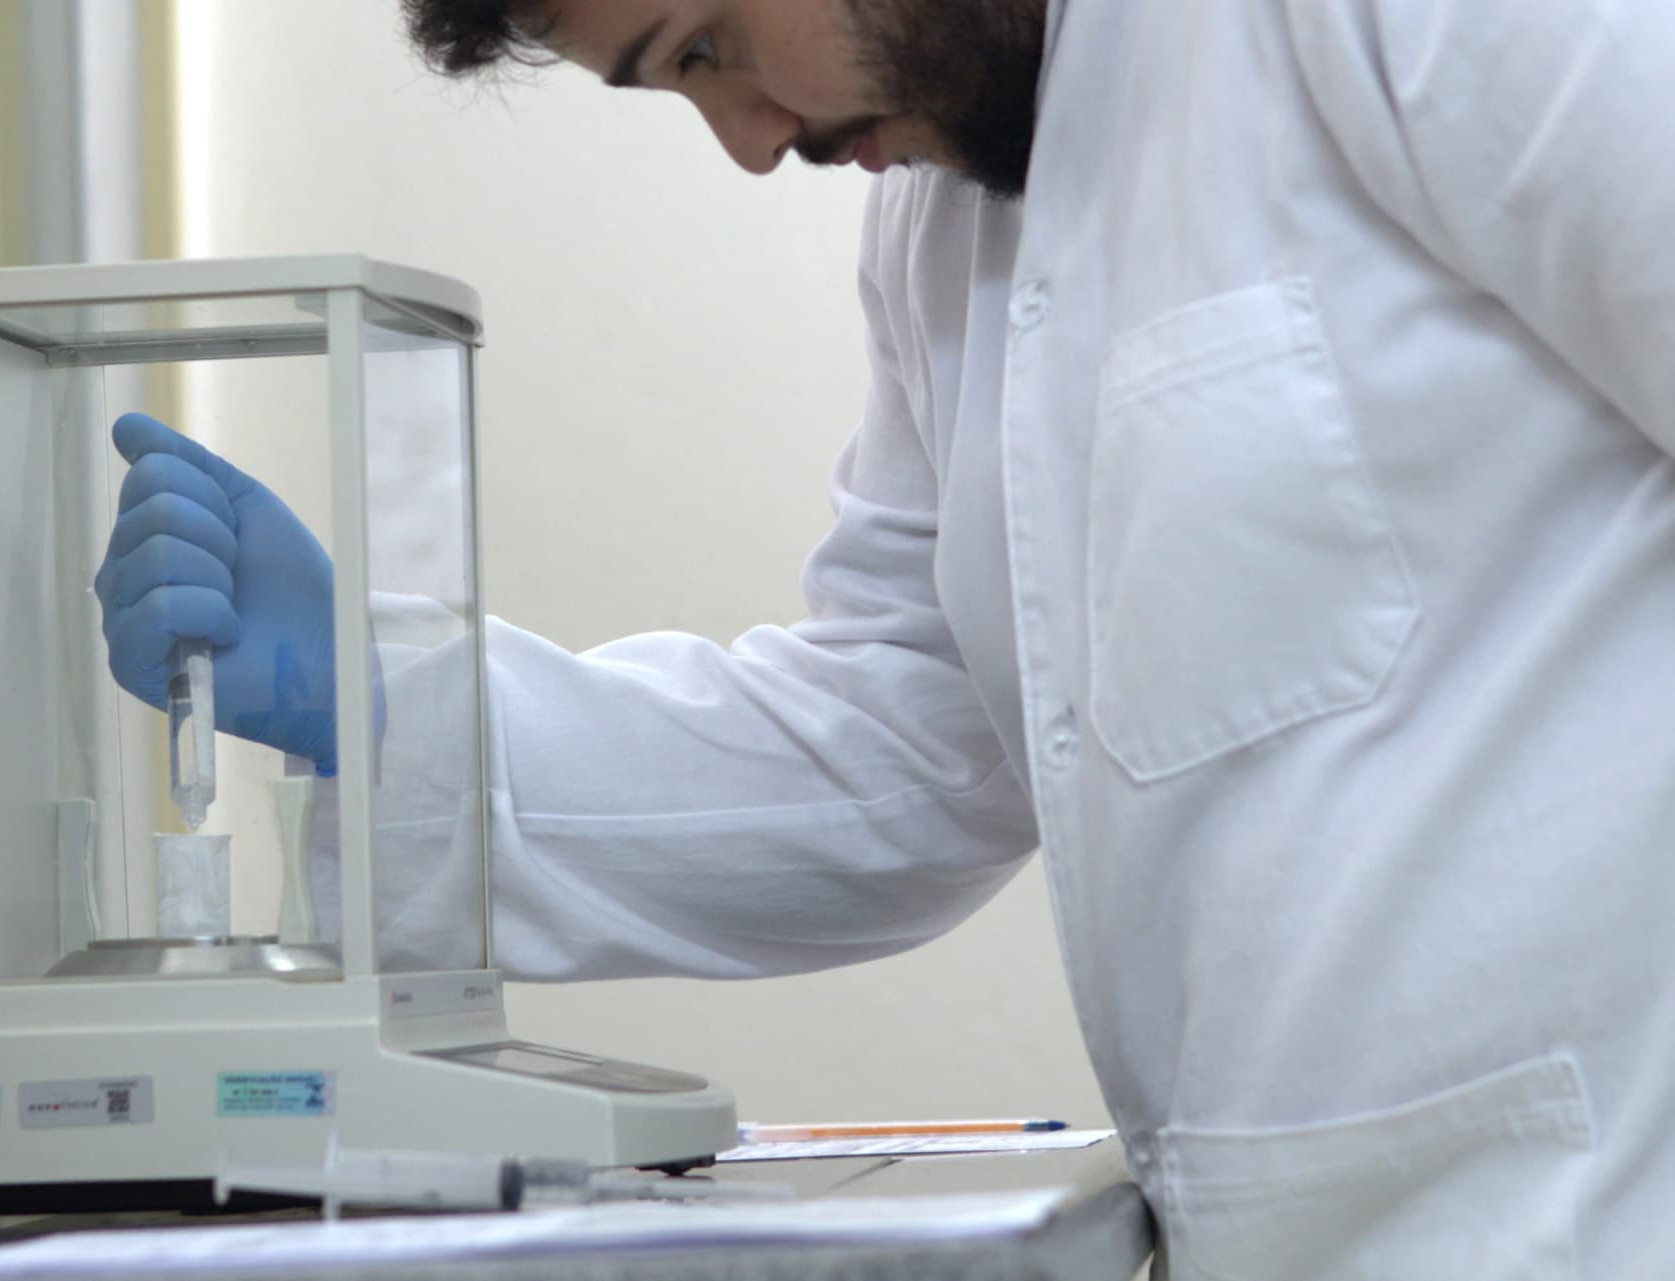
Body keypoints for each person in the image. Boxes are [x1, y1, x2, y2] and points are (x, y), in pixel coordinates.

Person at [95, 1, 1675, 1275]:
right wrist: (387, 708)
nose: (745, 141)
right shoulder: (937, 224)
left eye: (705, 45)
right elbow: (907, 742)